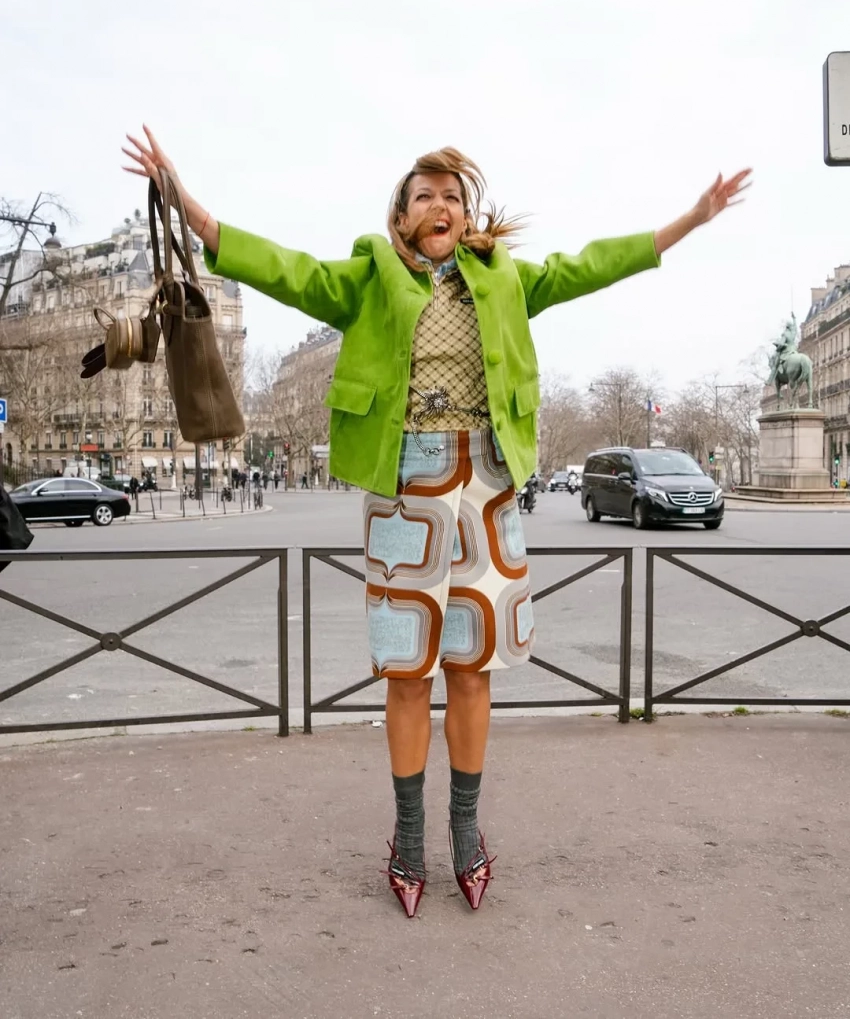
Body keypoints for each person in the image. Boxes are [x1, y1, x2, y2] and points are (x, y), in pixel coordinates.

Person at [123, 126, 750, 917]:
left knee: (471, 667)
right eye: (424, 195)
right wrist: (187, 205)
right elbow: (286, 269)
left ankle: (466, 826)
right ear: (401, 216)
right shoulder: (371, 273)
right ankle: (410, 834)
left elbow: (590, 265)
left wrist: (690, 219)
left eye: (452, 195)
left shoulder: (504, 276)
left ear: (467, 213)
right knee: (406, 669)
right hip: (405, 486)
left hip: (485, 484)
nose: (440, 204)